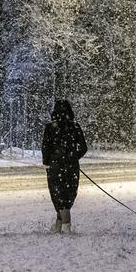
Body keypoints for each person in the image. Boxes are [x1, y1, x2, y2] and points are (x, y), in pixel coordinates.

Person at [41, 100, 88, 234]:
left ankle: (63, 224)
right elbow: (84, 147)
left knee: (57, 194)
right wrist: (73, 157)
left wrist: (48, 162)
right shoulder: (75, 126)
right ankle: (61, 224)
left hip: (55, 166)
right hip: (71, 166)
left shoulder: (50, 127)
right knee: (68, 195)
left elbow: (45, 147)